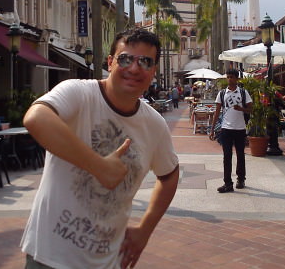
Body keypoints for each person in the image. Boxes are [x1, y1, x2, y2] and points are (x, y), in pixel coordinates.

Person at [21, 28, 179, 269]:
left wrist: (145, 230)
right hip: (49, 257)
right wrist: (99, 167)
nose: (135, 69)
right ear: (110, 62)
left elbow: (169, 176)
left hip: (108, 261)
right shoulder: (79, 93)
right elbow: (36, 118)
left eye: (145, 62)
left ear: (153, 71)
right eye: (125, 59)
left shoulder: (154, 124)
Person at [209, 69, 252, 193]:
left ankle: (241, 179)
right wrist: (212, 129)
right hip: (226, 129)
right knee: (227, 156)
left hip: (240, 128)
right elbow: (217, 112)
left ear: (237, 79)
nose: (229, 79)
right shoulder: (222, 93)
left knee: (240, 155)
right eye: (228, 77)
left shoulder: (243, 93)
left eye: (232, 77)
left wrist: (242, 109)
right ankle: (227, 183)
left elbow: (251, 109)